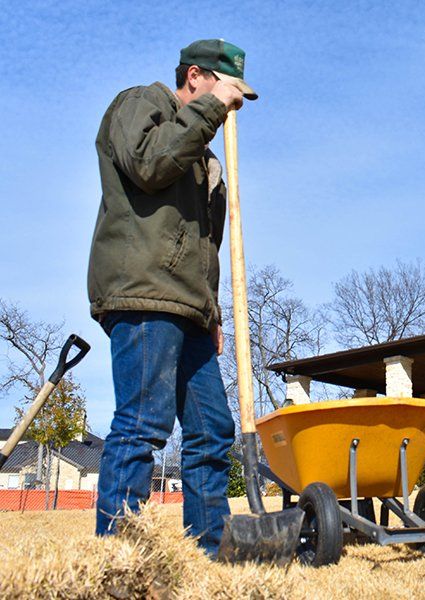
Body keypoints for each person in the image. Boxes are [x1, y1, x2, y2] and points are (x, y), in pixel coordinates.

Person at [87, 39, 257, 555]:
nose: (231, 107)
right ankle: (120, 554)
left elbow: (205, 246)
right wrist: (210, 110)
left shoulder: (202, 157)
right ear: (196, 76)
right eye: (227, 92)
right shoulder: (141, 104)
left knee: (212, 430)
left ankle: (210, 547)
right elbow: (146, 165)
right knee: (143, 422)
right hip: (144, 294)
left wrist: (212, 311)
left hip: (189, 307)